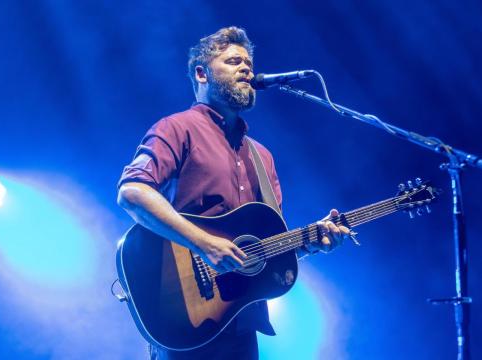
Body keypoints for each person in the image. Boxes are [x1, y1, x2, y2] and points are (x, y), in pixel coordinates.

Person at [117, 26, 351, 359]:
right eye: (232, 61)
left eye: (248, 63)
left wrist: (310, 242)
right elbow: (133, 192)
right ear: (202, 73)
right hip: (185, 317)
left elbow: (264, 250)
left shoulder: (262, 156)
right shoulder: (177, 128)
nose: (246, 69)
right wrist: (205, 243)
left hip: (242, 321)